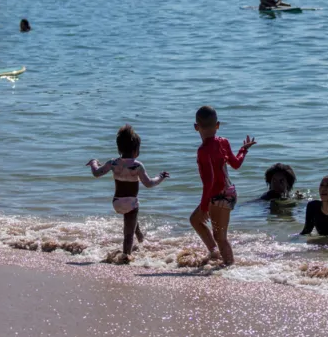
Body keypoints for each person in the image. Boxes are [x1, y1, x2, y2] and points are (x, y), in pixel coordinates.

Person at [87, 124, 169, 260]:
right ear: (136, 150)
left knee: (132, 222)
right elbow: (149, 183)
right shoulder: (137, 165)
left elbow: (97, 173)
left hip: (117, 202)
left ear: (119, 148)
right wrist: (160, 177)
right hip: (131, 203)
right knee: (128, 234)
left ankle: (141, 239)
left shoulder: (113, 163)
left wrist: (93, 162)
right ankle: (126, 256)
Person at [189, 105, 255, 265]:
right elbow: (236, 164)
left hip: (218, 196)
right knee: (196, 221)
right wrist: (243, 150)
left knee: (220, 236)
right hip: (228, 193)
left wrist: (205, 206)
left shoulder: (203, 150)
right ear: (217, 125)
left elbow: (209, 182)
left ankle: (229, 266)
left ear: (196, 127)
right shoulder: (223, 142)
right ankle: (215, 253)